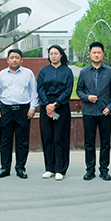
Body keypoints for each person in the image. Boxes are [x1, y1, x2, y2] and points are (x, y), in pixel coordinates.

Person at [0, 48, 39, 179]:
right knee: (5, 141)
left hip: (23, 110)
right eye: (12, 57)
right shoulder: (2, 74)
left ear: (21, 60)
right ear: (7, 60)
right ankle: (5, 168)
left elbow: (33, 92)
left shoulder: (28, 73)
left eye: (17, 57)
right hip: (6, 110)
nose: (14, 60)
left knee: (22, 141)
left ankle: (20, 168)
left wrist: (32, 107)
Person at [76, 42, 111, 181]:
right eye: (94, 52)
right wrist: (87, 97)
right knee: (89, 142)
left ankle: (104, 170)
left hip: (105, 112)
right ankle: (90, 170)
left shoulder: (109, 72)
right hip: (89, 111)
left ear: (103, 54)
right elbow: (79, 90)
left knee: (105, 142)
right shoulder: (84, 72)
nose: (96, 55)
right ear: (90, 54)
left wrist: (110, 107)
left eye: (99, 52)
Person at [36, 45, 74, 181]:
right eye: (51, 53)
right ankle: (49, 168)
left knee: (60, 137)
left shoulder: (67, 71)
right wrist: (47, 105)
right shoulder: (43, 70)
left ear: (61, 55)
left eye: (56, 53)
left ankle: (60, 169)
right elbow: (40, 88)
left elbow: (68, 90)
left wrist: (55, 104)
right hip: (46, 106)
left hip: (61, 106)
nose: (53, 56)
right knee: (47, 137)